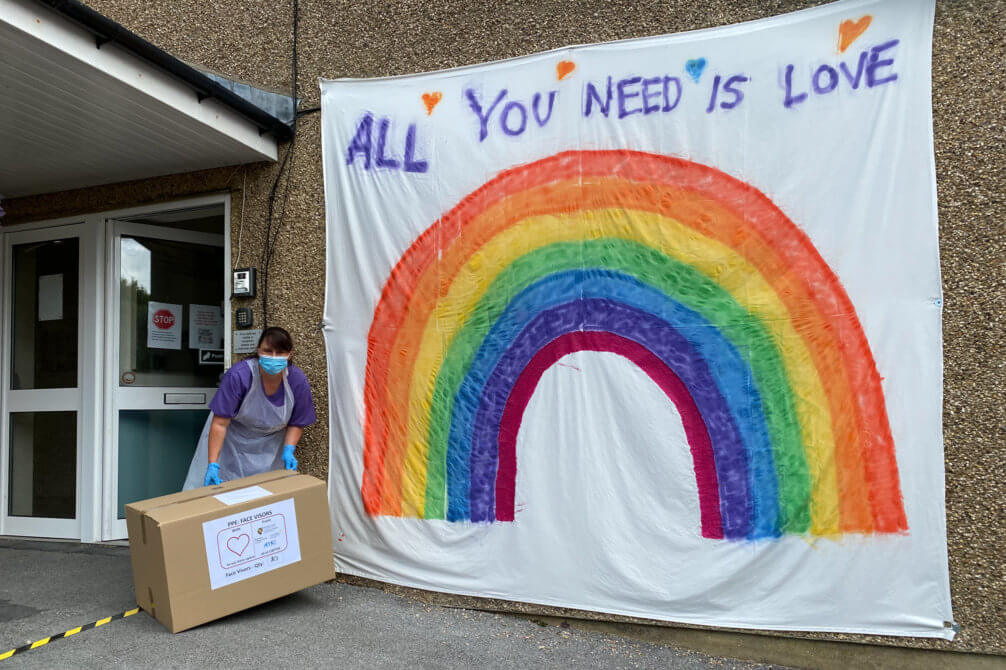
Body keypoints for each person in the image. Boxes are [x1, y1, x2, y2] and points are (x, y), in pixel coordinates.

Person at [182, 326, 316, 490]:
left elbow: (297, 421)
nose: (274, 357)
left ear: (290, 354)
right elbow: (219, 424)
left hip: (270, 449)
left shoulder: (297, 380)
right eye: (268, 351)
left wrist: (289, 449)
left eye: (280, 352)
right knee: (220, 496)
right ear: (259, 350)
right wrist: (213, 465)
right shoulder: (239, 375)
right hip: (230, 445)